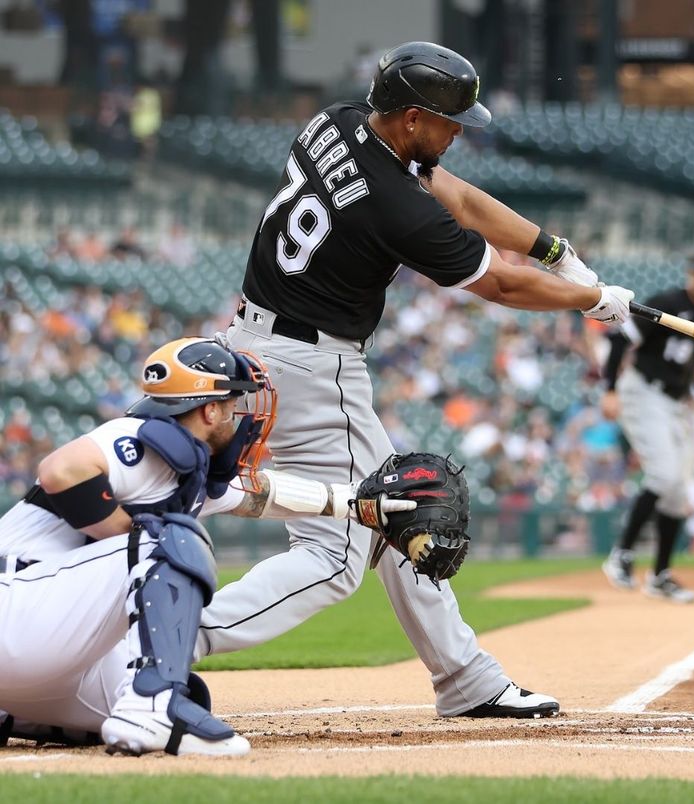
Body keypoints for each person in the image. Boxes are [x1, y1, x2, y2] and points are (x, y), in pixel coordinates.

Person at [205, 41, 634, 719]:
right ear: (409, 118)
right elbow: (496, 283)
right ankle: (169, 635)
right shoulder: (395, 205)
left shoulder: (338, 121)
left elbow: (456, 193)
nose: (458, 132)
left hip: (252, 343)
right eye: (447, 120)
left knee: (408, 509)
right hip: (314, 370)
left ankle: (467, 679)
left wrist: (557, 253)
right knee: (339, 550)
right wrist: (593, 300)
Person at [0, 337, 417, 755]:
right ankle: (152, 708)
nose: (240, 416)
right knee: (169, 538)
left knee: (184, 695)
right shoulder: (138, 438)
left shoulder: (185, 465)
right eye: (234, 403)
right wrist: (131, 535)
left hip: (39, 645)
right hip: (15, 608)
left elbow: (262, 495)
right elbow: (61, 470)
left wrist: (359, 504)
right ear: (209, 408)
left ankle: (18, 713)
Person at [599, 248, 694, 603]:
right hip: (643, 392)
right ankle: (621, 555)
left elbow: (692, 362)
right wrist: (608, 389)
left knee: (678, 493)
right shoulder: (667, 301)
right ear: (690, 273)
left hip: (675, 402)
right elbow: (621, 339)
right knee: (664, 476)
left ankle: (661, 575)